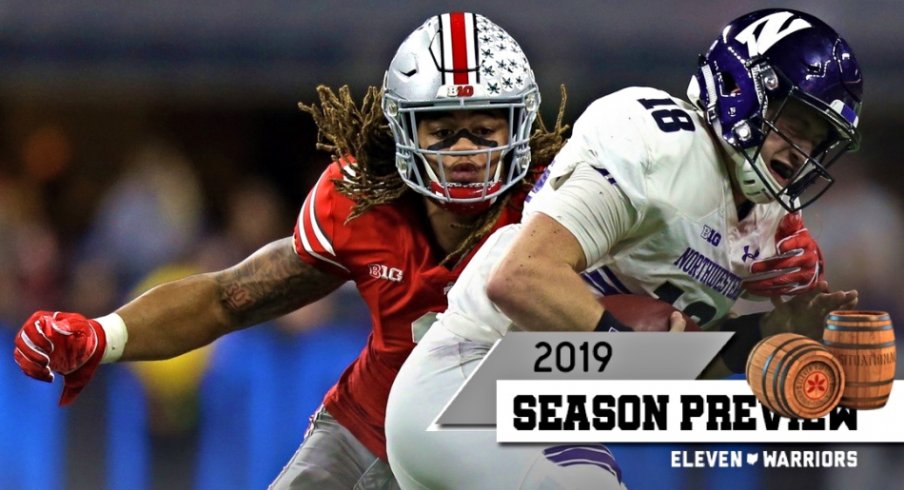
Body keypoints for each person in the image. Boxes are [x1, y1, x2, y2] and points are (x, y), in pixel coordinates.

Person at [11, 12, 568, 490]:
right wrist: (102, 335)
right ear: (403, 133)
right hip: (369, 431)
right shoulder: (361, 201)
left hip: (511, 436)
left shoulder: (563, 205)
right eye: (441, 131)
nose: (464, 151)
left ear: (520, 125)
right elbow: (230, 297)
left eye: (484, 128)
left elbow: (636, 353)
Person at [385, 9, 862, 489]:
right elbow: (521, 280)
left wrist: (764, 331)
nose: (801, 151)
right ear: (741, 88)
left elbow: (673, 366)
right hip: (471, 379)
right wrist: (633, 355)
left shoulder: (761, 225)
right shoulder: (661, 144)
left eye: (817, 141)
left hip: (533, 406)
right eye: (794, 123)